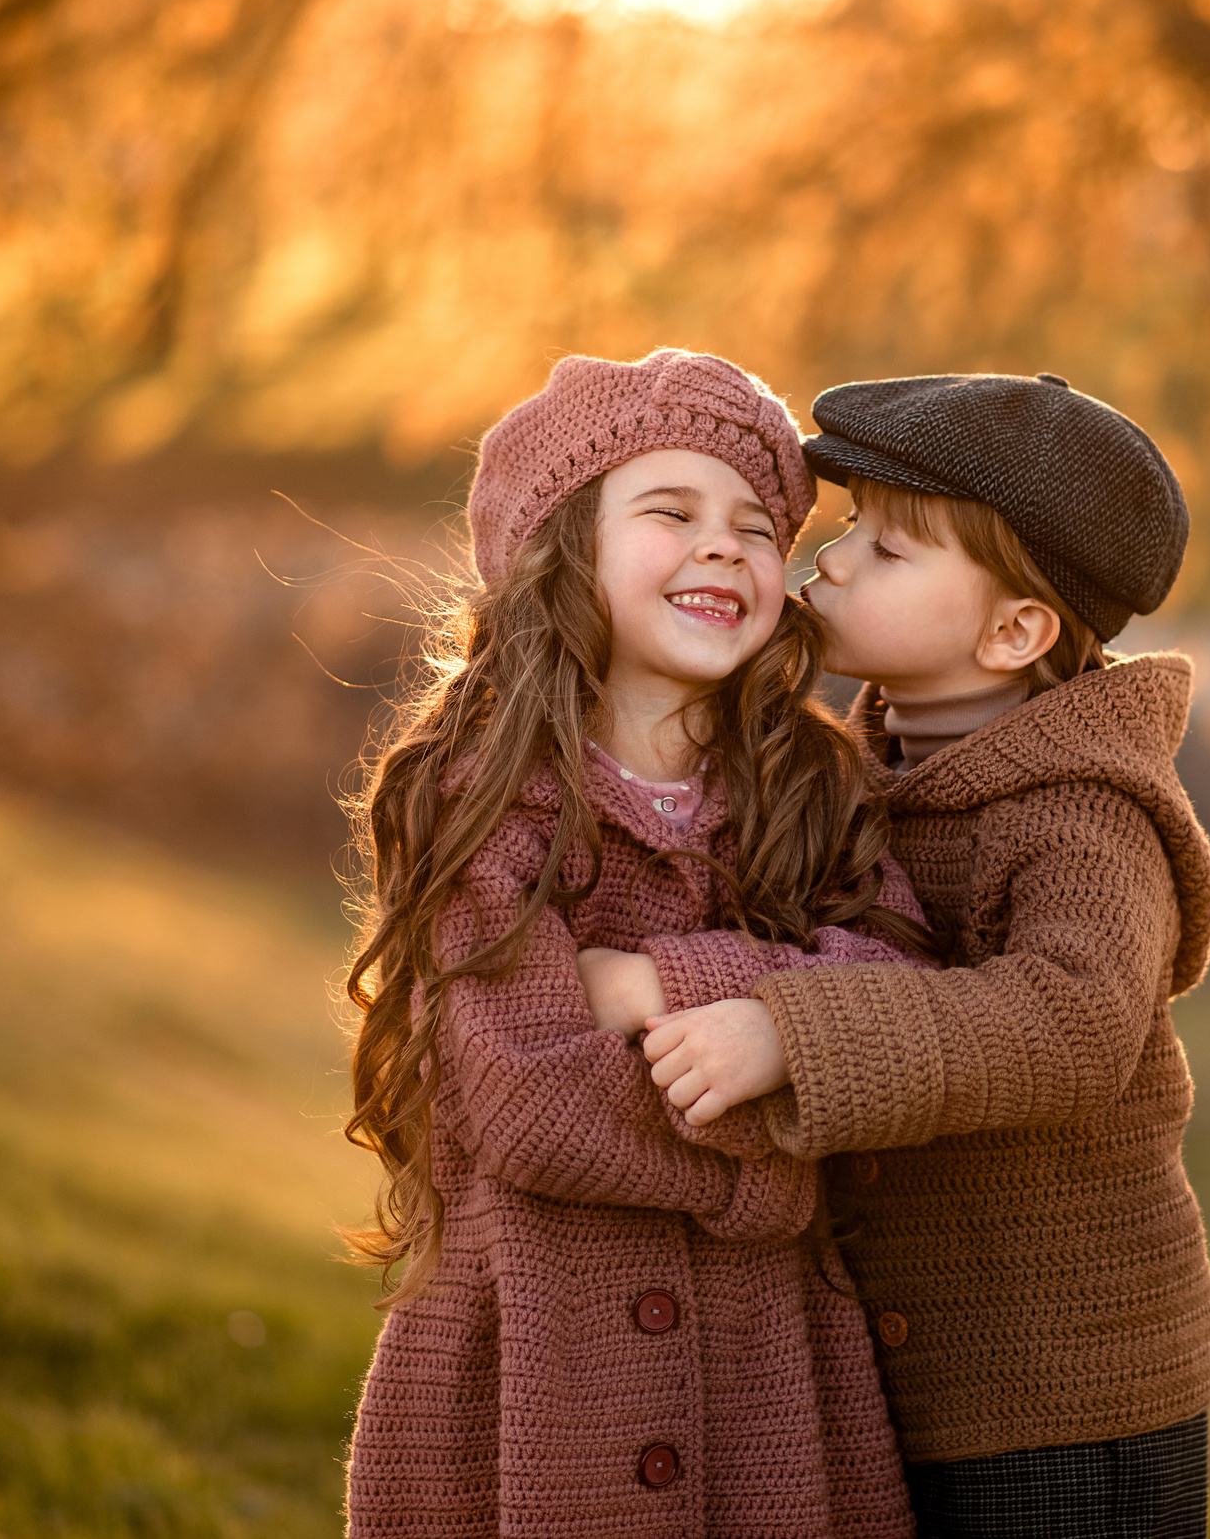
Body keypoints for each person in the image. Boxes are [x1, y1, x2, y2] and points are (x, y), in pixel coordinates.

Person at [589, 372, 1210, 1538]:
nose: (830, 563)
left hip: (1060, 1397)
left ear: (1012, 630)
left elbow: (1070, 1023)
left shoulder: (1084, 815)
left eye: (886, 550)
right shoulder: (860, 773)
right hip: (898, 1380)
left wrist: (788, 1033)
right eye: (846, 527)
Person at [340, 348, 933, 1539]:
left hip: (768, 1381)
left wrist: (701, 996)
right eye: (672, 512)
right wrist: (780, 1152)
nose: (724, 547)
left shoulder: (813, 786)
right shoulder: (481, 793)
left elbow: (907, 993)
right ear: (564, 548)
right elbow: (526, 1094)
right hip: (531, 1373)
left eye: (757, 527)